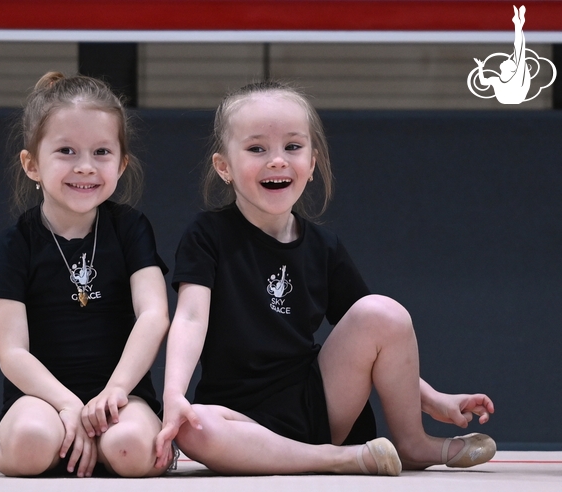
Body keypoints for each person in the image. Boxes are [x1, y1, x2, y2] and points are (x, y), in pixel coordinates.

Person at [155, 80, 496, 476]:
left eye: (292, 147)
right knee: (194, 429)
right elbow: (191, 318)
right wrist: (174, 394)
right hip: (238, 417)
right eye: (256, 149)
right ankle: (342, 459)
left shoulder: (323, 246)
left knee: (382, 313)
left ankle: (413, 442)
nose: (278, 160)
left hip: (316, 405)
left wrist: (434, 399)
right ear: (224, 167)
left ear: (312, 164)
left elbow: (380, 341)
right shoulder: (206, 234)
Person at [0, 72, 175, 478]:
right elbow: (12, 352)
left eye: (102, 152)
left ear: (121, 164)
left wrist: (117, 390)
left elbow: (154, 315)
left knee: (131, 450)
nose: (85, 167)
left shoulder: (131, 228)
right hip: (41, 399)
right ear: (32, 164)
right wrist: (66, 405)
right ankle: (16, 450)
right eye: (66, 151)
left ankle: (100, 447)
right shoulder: (15, 244)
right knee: (31, 443)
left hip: (120, 396)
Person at [474, 5, 530, 104]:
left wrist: (518, 26)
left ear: (511, 69)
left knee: (519, 51)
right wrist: (480, 67)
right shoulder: (497, 80)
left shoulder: (516, 77)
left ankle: (518, 24)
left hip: (515, 96)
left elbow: (519, 48)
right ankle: (518, 24)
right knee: (519, 52)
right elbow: (483, 82)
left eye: (509, 61)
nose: (507, 59)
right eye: (510, 60)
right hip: (510, 97)